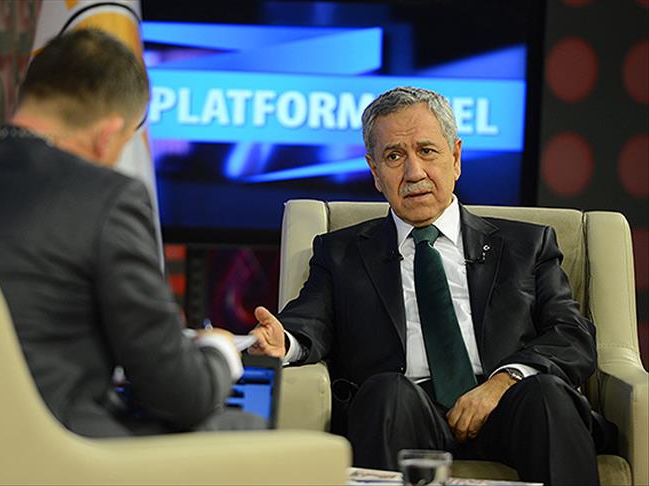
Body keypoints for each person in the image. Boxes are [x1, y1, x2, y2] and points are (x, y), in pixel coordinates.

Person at [249, 86, 610, 485]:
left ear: (455, 157)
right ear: (374, 171)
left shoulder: (527, 245)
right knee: (385, 392)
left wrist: (503, 382)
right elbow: (309, 321)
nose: (414, 173)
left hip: (510, 406)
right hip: (406, 411)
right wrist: (284, 341)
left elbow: (571, 335)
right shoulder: (341, 253)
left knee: (547, 395)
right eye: (394, 156)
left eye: (426, 151)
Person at [0, 29, 262, 436]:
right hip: (46, 444)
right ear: (107, 135)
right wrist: (219, 353)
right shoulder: (108, 196)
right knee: (244, 427)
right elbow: (181, 395)